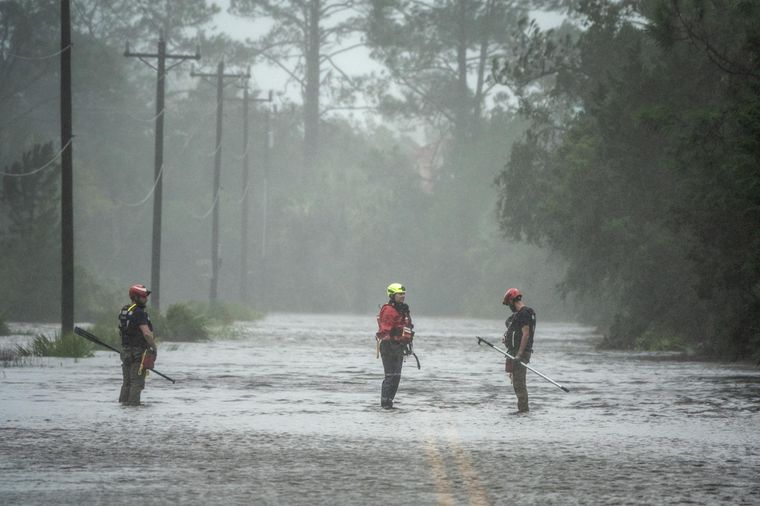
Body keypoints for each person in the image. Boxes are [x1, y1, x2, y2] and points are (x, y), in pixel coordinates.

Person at [376, 282, 414, 409]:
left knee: (396, 378)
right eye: (400, 294)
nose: (403, 296)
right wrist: (395, 337)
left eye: (403, 294)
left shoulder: (403, 310)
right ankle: (385, 404)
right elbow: (386, 330)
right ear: (392, 295)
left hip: (399, 346)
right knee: (390, 377)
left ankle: (389, 402)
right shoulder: (388, 310)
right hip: (389, 346)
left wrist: (404, 341)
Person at [118, 284, 158, 406]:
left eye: (146, 296)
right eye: (143, 296)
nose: (146, 299)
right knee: (137, 383)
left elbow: (123, 331)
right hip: (138, 353)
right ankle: (133, 410)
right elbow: (146, 333)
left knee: (127, 383)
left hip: (125, 351)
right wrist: (154, 348)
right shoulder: (139, 312)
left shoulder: (125, 310)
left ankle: (123, 407)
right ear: (135, 297)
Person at [502, 287, 536, 413]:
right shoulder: (519, 315)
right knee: (517, 383)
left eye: (508, 303)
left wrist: (519, 355)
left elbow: (526, 334)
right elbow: (515, 330)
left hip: (520, 354)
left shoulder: (525, 313)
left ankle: (523, 412)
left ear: (512, 301)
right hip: (514, 352)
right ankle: (522, 411)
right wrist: (507, 336)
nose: (509, 306)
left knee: (519, 384)